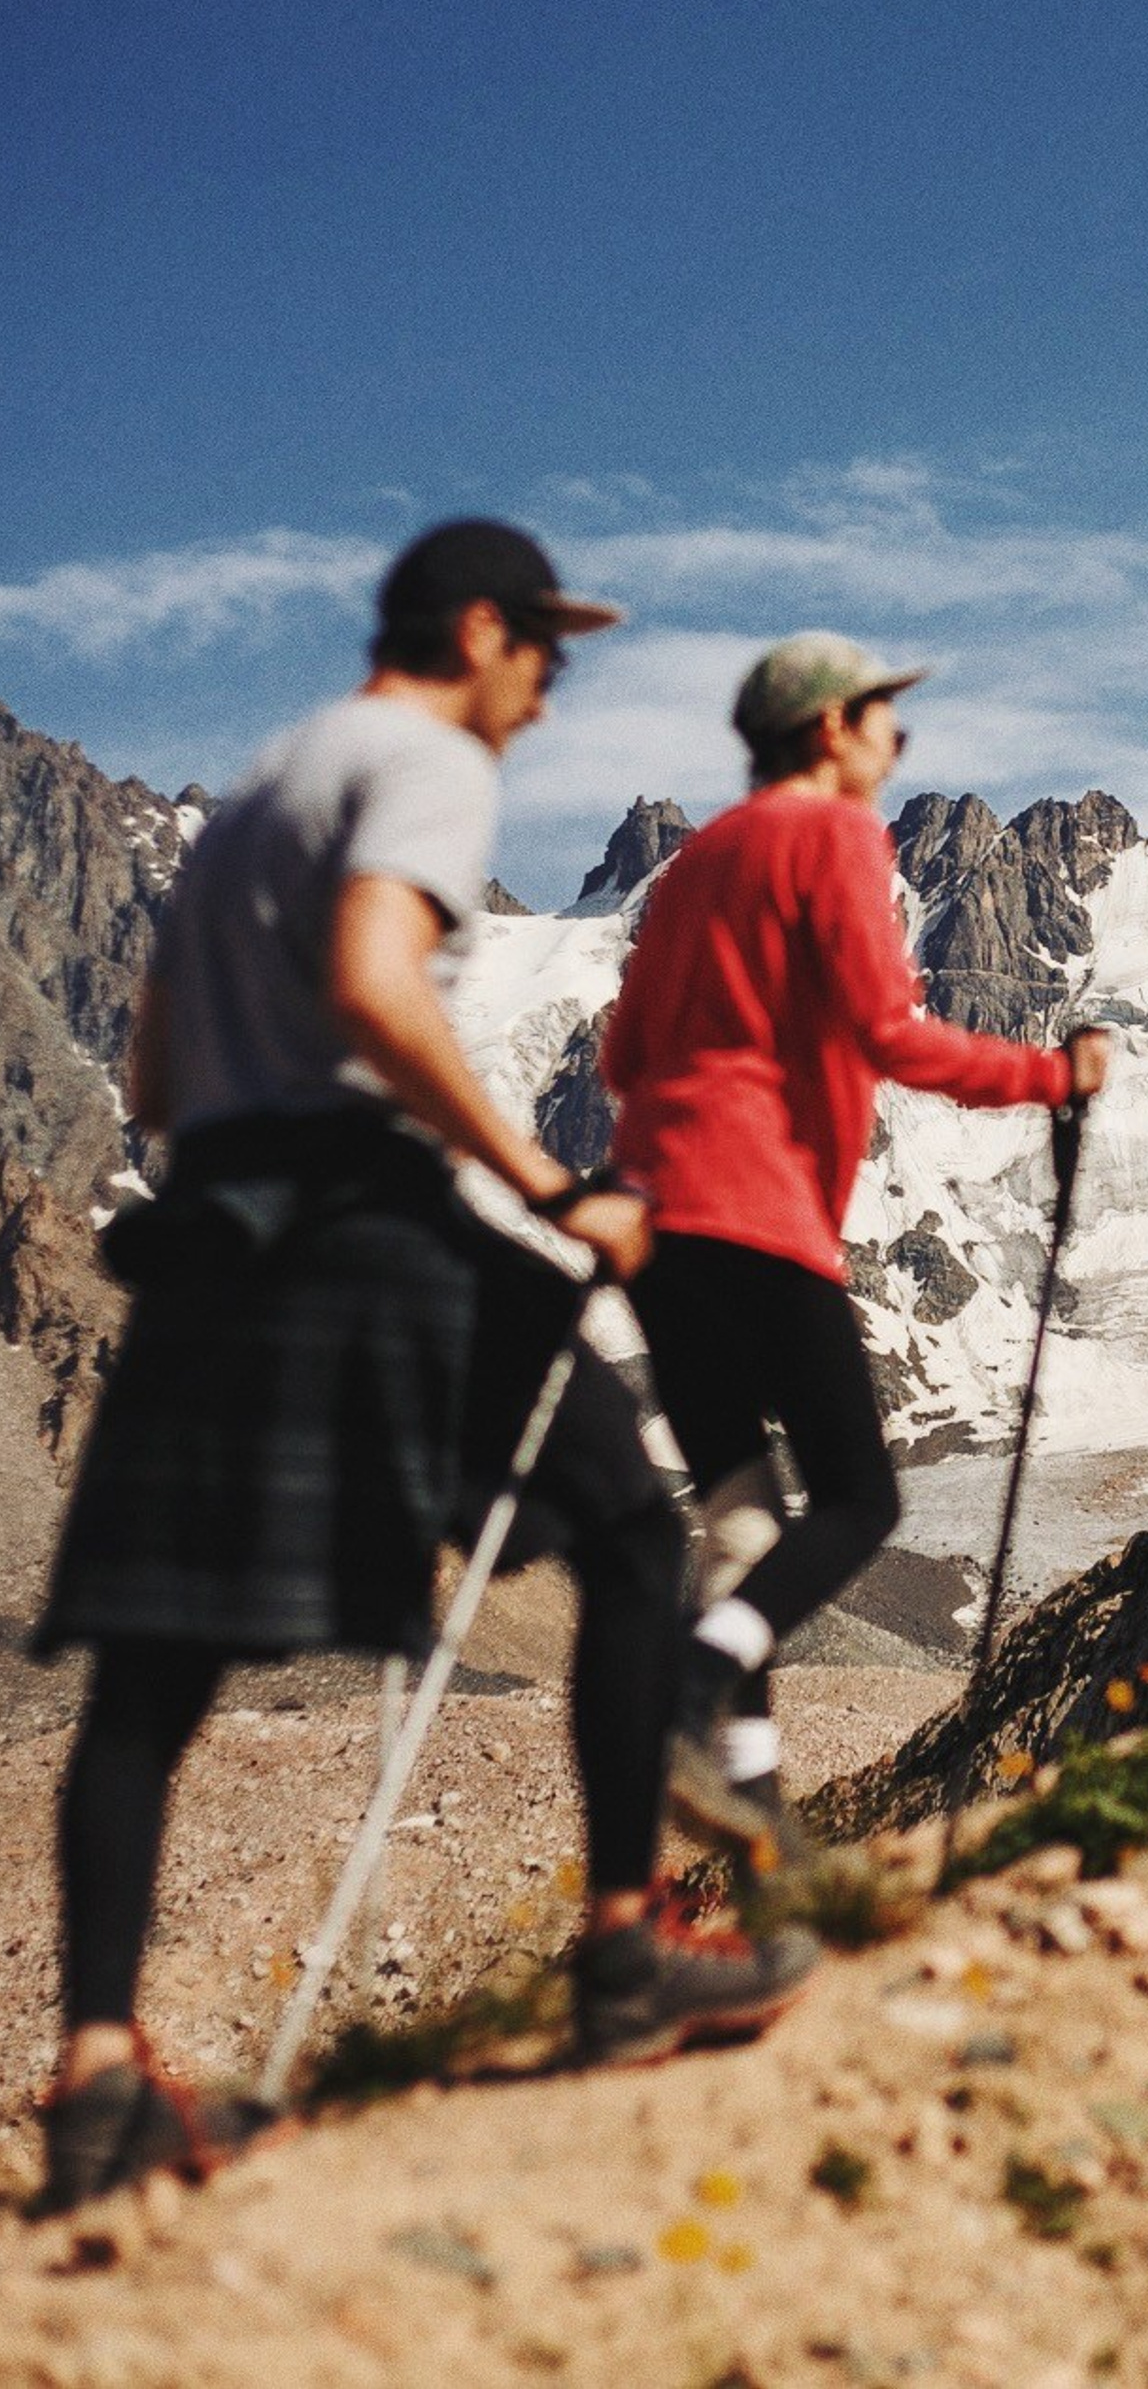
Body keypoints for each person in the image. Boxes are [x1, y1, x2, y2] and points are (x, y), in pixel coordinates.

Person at [31, 521, 816, 2216]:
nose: (548, 695)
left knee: (149, 1669)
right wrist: (546, 1184)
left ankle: (95, 2086)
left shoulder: (255, 792)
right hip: (376, 1223)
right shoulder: (426, 761)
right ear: (479, 631)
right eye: (546, 655)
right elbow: (382, 981)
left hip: (218, 1231)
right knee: (623, 1527)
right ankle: (622, 1962)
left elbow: (158, 1068)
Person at [605, 632, 1110, 1865]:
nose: (900, 737)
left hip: (662, 1226)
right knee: (860, 1497)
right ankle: (690, 1687)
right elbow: (894, 1033)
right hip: (759, 1209)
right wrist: (1049, 1076)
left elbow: (623, 1061)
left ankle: (756, 1833)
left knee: (737, 1523)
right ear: (830, 729)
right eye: (888, 713)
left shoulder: (689, 869)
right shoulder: (830, 834)